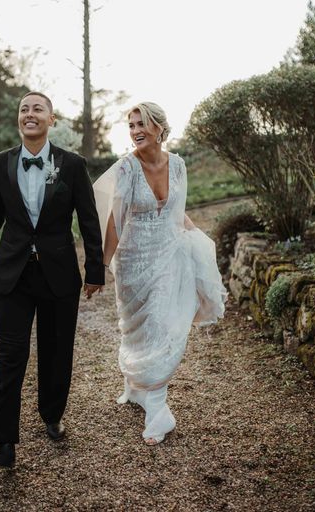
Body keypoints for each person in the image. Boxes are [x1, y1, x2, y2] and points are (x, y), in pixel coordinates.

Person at [0, 92, 104, 469]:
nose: (30, 114)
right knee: (11, 355)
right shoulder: (1, 163)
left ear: (51, 119)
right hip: (11, 275)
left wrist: (95, 269)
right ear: (19, 119)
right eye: (24, 109)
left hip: (58, 275)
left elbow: (88, 219)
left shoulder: (72, 165)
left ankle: (52, 414)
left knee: (56, 350)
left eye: (37, 109)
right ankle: (4, 441)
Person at [93, 102, 227, 446]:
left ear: (159, 128)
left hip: (170, 255)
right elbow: (115, 221)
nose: (136, 131)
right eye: (132, 125)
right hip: (133, 262)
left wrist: (201, 246)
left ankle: (158, 408)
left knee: (163, 327)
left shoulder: (179, 164)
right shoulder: (126, 168)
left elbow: (178, 214)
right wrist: (100, 267)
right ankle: (137, 387)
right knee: (136, 329)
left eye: (142, 124)